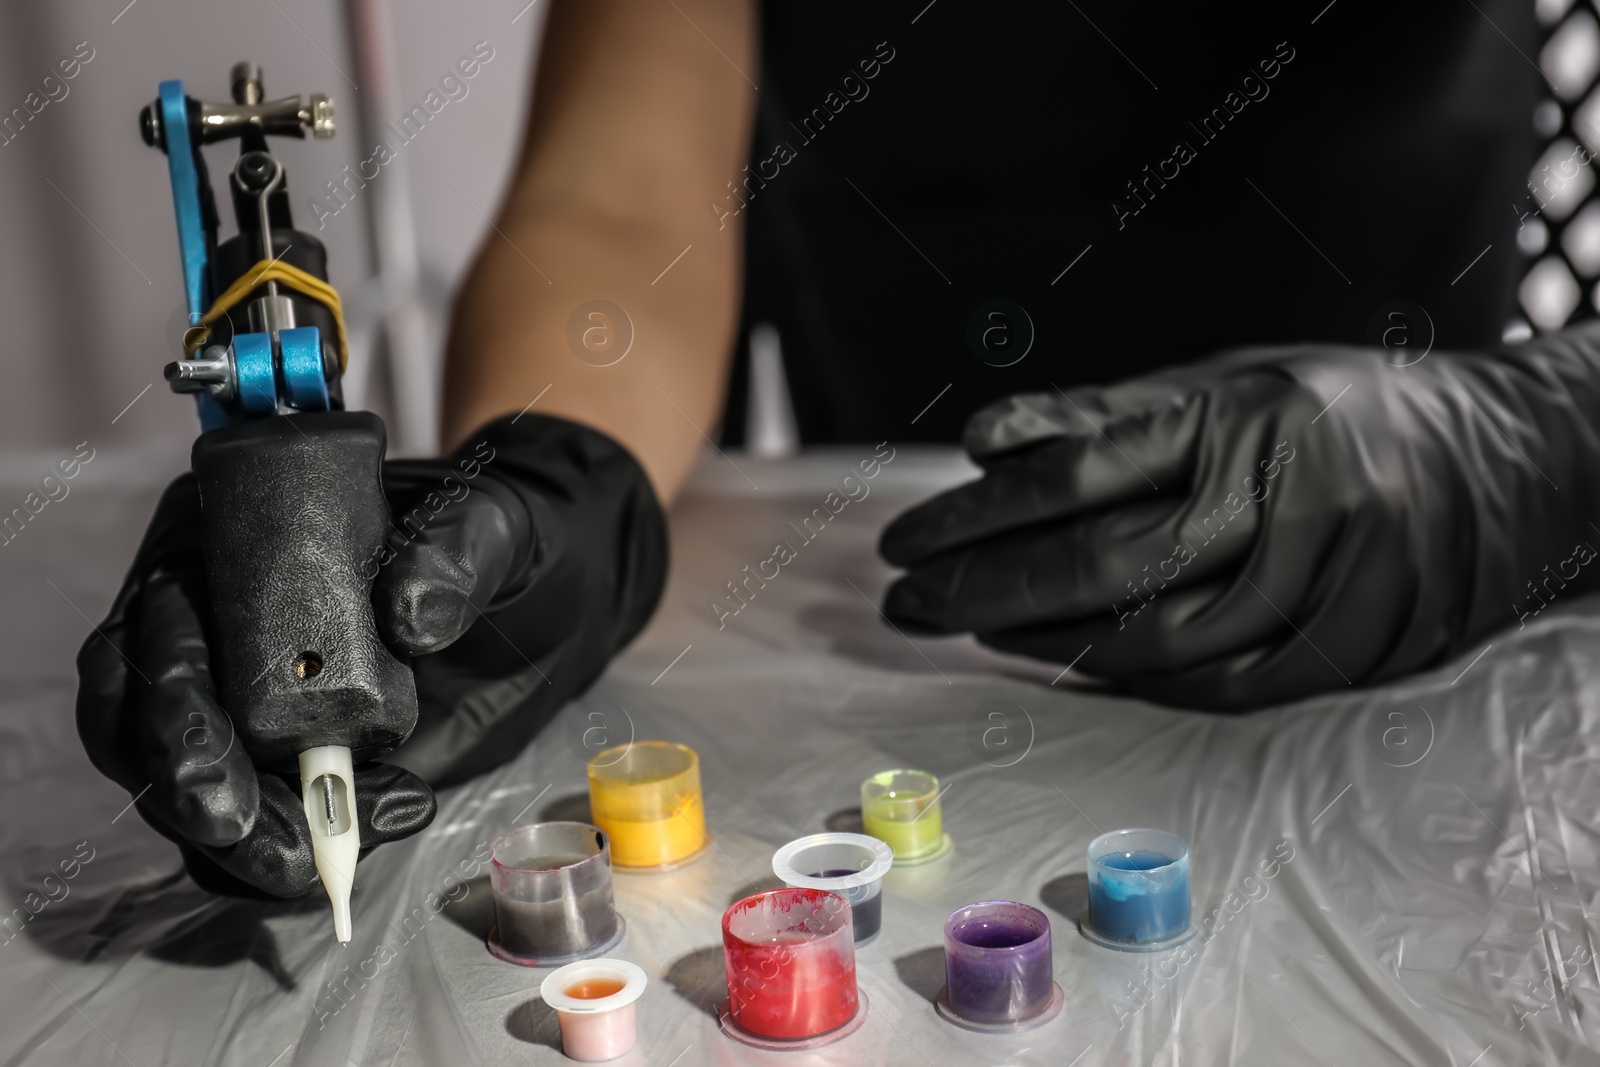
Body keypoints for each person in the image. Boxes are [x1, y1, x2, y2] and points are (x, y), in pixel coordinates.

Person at [77, 0, 1600, 898]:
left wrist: (1543, 451)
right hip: (909, 617)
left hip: (1446, 637)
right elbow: (621, 202)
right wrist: (558, 478)